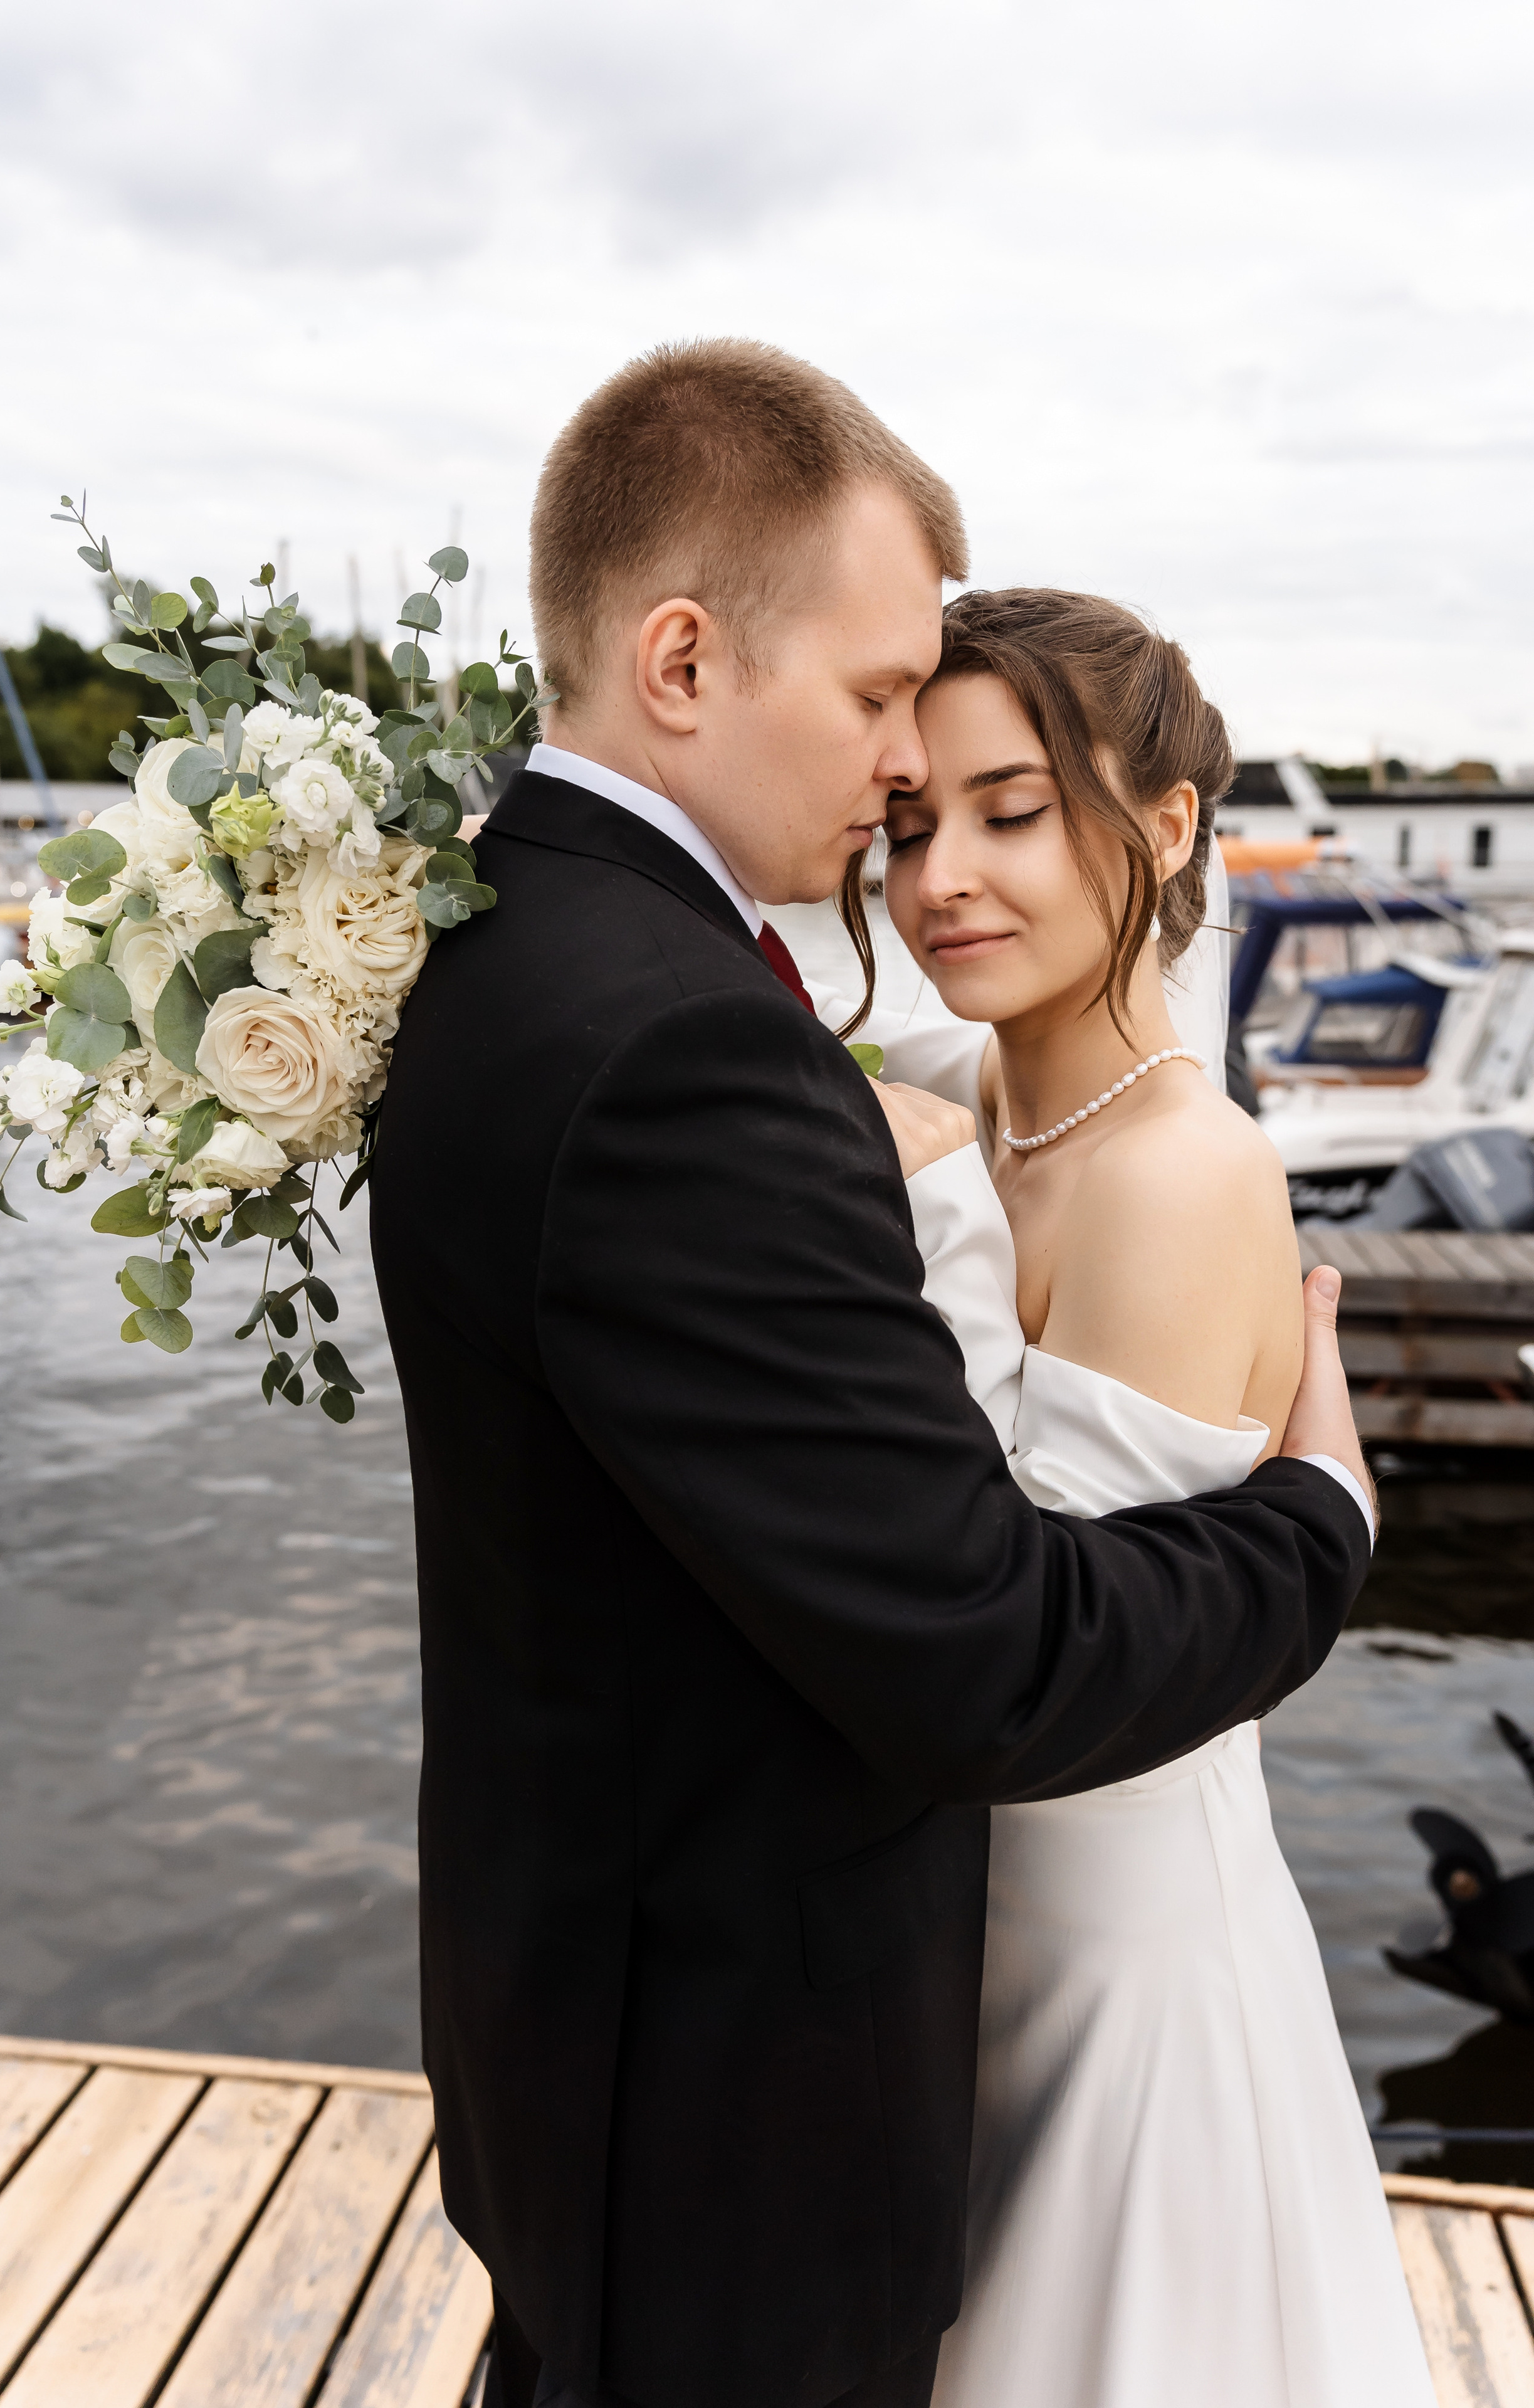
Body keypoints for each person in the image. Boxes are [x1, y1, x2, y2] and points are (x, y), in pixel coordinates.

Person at [368, 340, 1375, 2408]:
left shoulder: (509, 947)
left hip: (840, 1981)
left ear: (1162, 830)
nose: (913, 849)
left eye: (1003, 802)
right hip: (739, 2047)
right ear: (679, 663)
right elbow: (988, 1651)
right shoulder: (691, 1049)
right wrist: (1323, 1522)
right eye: (884, 736)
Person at [843, 587, 1431, 2407]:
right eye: (913, 823)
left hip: (1120, 1955)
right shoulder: (962, 1087)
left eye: (1013, 812)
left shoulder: (1188, 1171)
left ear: (1163, 829)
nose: (947, 875)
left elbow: (1042, 1638)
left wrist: (933, 1208)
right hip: (964, 1944)